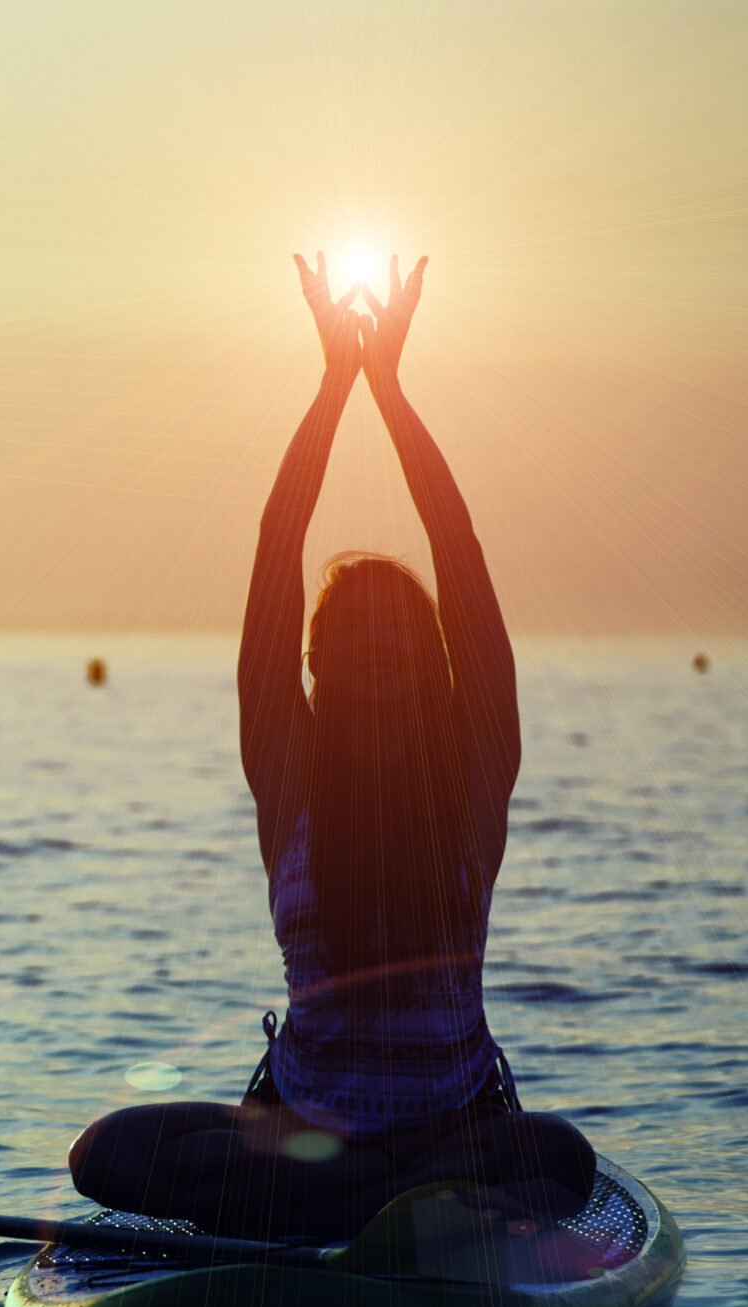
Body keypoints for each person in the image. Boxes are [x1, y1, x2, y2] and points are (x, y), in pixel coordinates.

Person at [66, 254, 595, 1241]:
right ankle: (381, 1209)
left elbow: (462, 554)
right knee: (106, 1150)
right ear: (314, 664)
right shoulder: (291, 781)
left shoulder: (473, 772)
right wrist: (326, 389)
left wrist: (388, 393)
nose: (375, 655)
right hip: (303, 1136)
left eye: (396, 635)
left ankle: (377, 1206)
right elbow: (276, 551)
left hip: (453, 1130)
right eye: (348, 639)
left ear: (430, 658)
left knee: (559, 1155)